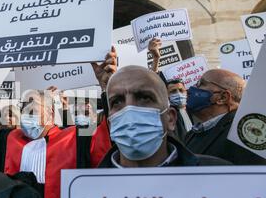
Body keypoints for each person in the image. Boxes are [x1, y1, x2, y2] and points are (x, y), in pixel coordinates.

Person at [89, 54, 232, 167]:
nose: (129, 109)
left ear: (170, 118)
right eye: (117, 102)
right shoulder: (85, 189)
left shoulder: (219, 175)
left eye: (144, 98)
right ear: (110, 122)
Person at [185, 69, 266, 165]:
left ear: (222, 98)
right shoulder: (192, 134)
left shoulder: (243, 133)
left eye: (201, 83)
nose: (192, 88)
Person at [166, 78, 192, 142]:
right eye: (173, 91)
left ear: (186, 92)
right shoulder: (168, 116)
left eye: (181, 90)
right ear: (167, 95)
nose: (178, 94)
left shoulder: (195, 111)